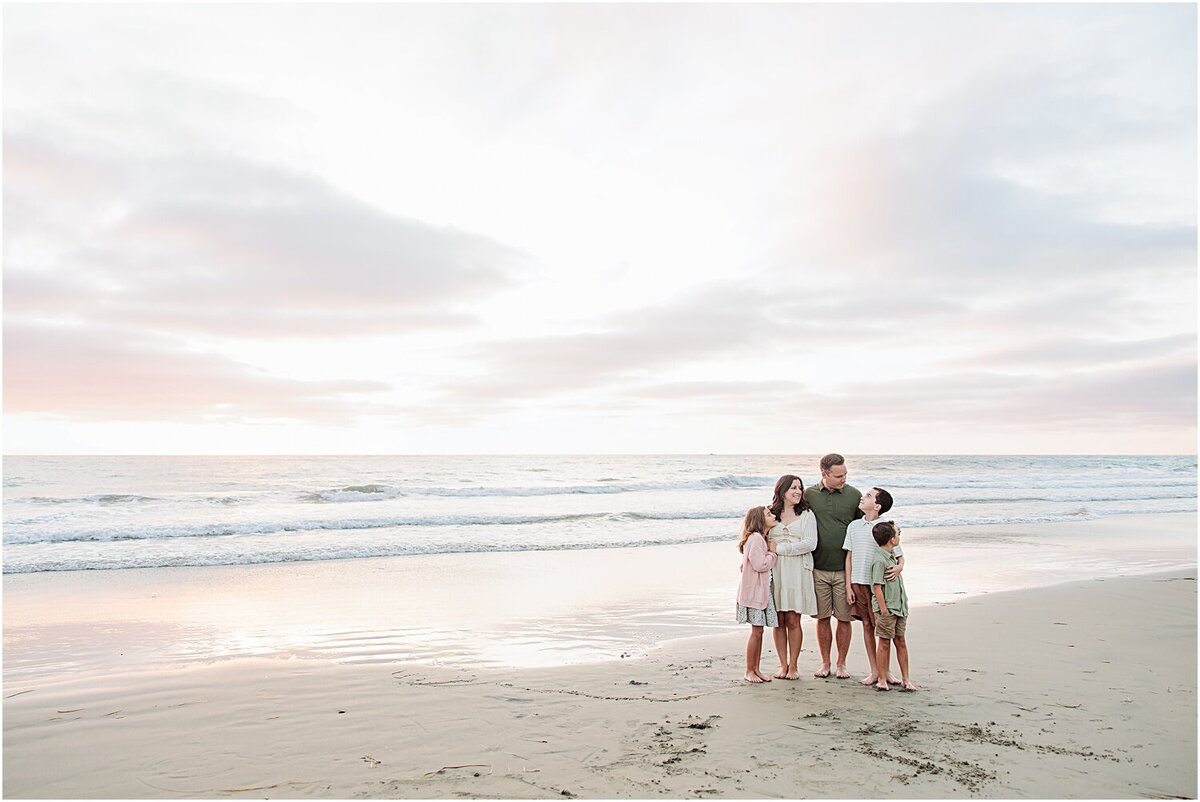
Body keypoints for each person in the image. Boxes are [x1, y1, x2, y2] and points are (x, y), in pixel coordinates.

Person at [803, 453, 863, 679]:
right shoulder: (809, 495)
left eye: (845, 474)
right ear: (824, 474)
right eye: (838, 475)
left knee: (845, 618)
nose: (843, 479)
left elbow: (865, 525)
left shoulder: (854, 495)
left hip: (845, 571)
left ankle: (842, 664)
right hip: (817, 568)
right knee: (822, 618)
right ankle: (825, 663)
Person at [844, 487, 905, 686]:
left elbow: (899, 555)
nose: (863, 497)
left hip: (880, 585)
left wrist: (899, 567)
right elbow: (849, 557)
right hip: (858, 583)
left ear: (877, 506)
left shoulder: (886, 527)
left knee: (884, 628)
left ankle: (885, 671)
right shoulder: (854, 526)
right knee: (867, 626)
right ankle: (874, 670)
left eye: (868, 496)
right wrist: (848, 585)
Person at [766, 475, 818, 680]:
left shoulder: (806, 514)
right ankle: (782, 665)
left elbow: (810, 544)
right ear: (782, 490)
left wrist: (781, 548)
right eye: (793, 488)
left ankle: (794, 666)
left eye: (800, 488)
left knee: (793, 618)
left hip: (798, 570)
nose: (798, 491)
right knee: (779, 619)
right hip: (775, 570)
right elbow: (760, 536)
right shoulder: (770, 512)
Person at [870, 520, 916, 692]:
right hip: (887, 608)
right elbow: (877, 587)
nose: (899, 536)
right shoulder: (879, 560)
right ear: (892, 539)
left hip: (900, 606)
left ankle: (906, 678)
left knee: (901, 641)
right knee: (884, 643)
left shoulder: (892, 557)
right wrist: (883, 610)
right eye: (898, 533)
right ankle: (882, 678)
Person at [736, 505, 779, 684]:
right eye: (769, 514)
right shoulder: (756, 538)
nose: (773, 515)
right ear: (760, 520)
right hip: (753, 592)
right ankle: (749, 670)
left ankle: (756, 669)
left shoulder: (760, 538)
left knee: (759, 631)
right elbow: (760, 565)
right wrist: (773, 553)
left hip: (758, 591)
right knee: (756, 631)